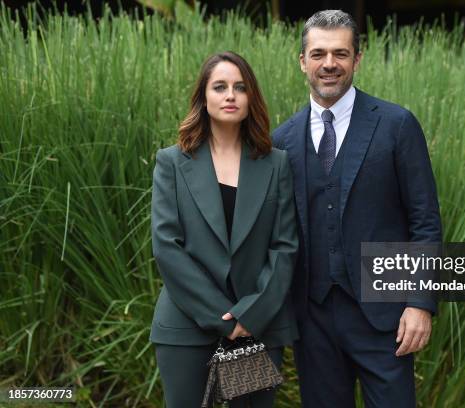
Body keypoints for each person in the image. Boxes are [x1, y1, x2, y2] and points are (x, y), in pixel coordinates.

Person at [272, 10, 442, 408]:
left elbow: (425, 221)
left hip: (386, 317)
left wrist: (419, 303)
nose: (329, 64)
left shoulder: (397, 125)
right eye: (318, 54)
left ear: (357, 60)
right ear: (302, 61)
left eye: (340, 53)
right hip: (312, 321)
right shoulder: (281, 140)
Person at [150, 51, 299, 408]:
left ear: (251, 98)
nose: (230, 95)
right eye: (220, 87)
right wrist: (223, 318)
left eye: (240, 87)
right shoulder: (171, 162)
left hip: (254, 325)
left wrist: (249, 315)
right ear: (204, 97)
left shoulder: (275, 164)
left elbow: (284, 247)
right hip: (187, 324)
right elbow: (167, 247)